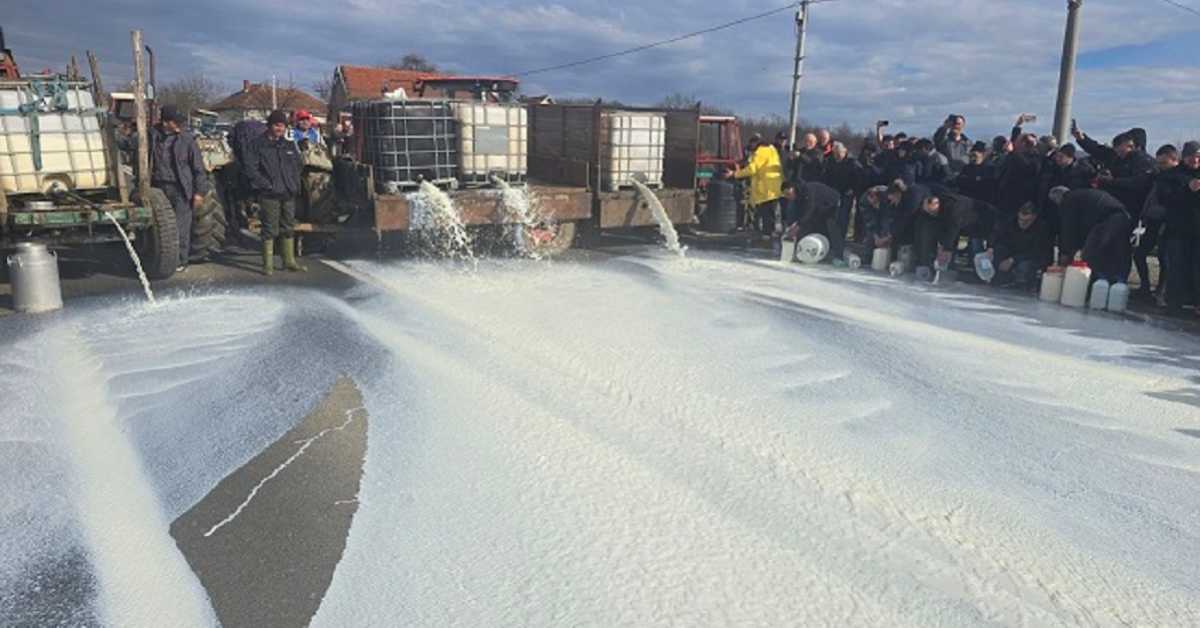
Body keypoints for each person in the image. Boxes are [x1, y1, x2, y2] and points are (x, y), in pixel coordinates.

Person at [148, 104, 210, 272]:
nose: (179, 125)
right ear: (166, 122)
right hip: (158, 188)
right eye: (176, 122)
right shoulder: (152, 136)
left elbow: (198, 167)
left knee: (181, 227)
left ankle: (180, 261)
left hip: (181, 188)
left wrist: (199, 192)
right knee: (161, 228)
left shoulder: (187, 140)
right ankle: (161, 260)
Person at [244, 109, 305, 275]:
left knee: (288, 226)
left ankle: (289, 261)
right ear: (270, 126)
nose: (280, 129)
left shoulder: (288, 145)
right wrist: (265, 184)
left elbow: (297, 165)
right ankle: (268, 265)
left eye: (283, 126)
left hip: (288, 192)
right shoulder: (257, 145)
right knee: (270, 228)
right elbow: (251, 169)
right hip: (269, 193)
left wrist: (293, 182)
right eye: (277, 125)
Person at [1049, 186, 1132, 283]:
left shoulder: (1069, 200)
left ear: (1058, 199)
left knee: (1091, 254)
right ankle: (1116, 282)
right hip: (1123, 217)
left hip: (1109, 220)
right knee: (1118, 253)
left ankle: (1095, 283)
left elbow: (1069, 230)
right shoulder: (1081, 196)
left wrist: (1065, 254)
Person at [1154, 141, 1200, 314]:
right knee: (1176, 267)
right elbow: (1164, 198)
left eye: (1198, 156)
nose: (1195, 160)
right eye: (1191, 156)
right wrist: (1188, 189)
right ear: (1183, 157)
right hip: (1178, 229)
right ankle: (1174, 303)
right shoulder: (1172, 175)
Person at [1073, 125, 1156, 217]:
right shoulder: (1117, 156)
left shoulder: (1144, 161)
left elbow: (1138, 183)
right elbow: (1099, 150)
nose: (1119, 152)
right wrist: (1082, 139)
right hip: (1110, 201)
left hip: (1128, 207)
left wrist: (1112, 180)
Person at [1132, 144, 1180, 301]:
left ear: (1175, 161)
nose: (1160, 166)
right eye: (1159, 163)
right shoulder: (1158, 177)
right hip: (1153, 221)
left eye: (1164, 163)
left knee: (1164, 258)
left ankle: (1161, 291)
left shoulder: (1179, 179)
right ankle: (1146, 287)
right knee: (1139, 254)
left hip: (1169, 224)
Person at [987, 202, 1053, 288]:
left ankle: (1021, 284)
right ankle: (995, 279)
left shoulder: (1042, 228)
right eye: (1020, 220)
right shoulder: (1011, 222)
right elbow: (997, 235)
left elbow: (1037, 251)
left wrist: (1013, 259)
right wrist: (990, 248)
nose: (1022, 223)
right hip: (1011, 251)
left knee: (1025, 266)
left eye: (1027, 221)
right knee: (998, 251)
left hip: (1029, 257)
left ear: (1034, 217)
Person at [730, 134, 784, 236]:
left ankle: (766, 234)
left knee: (765, 213)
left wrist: (735, 174)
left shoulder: (760, 151)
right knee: (770, 212)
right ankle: (769, 233)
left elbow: (752, 169)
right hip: (774, 186)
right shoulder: (771, 148)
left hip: (765, 187)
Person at [783, 178, 848, 263]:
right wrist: (791, 225)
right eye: (786, 195)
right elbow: (794, 213)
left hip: (832, 206)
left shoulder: (809, 190)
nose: (788, 197)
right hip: (819, 209)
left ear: (793, 188)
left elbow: (810, 209)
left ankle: (839, 256)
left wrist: (798, 224)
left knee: (833, 229)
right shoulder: (796, 198)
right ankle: (801, 251)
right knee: (809, 227)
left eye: (788, 194)